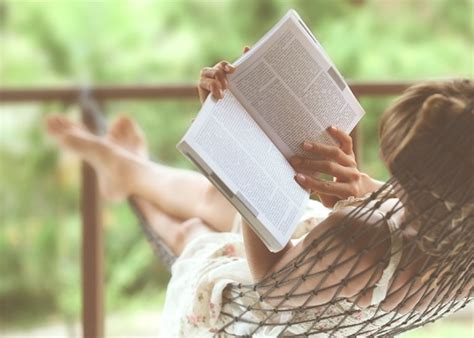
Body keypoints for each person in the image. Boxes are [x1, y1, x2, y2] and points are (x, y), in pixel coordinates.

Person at [45, 69, 473, 336]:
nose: (388, 175)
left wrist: (249, 173)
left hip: (260, 309)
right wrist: (362, 185)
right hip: (327, 276)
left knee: (193, 231)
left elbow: (266, 278)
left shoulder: (350, 240)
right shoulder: (461, 231)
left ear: (425, 187)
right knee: (213, 197)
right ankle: (129, 171)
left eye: (395, 170)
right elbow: (409, 212)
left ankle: (130, 179)